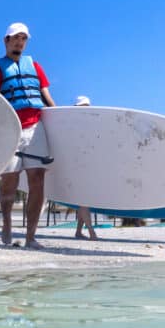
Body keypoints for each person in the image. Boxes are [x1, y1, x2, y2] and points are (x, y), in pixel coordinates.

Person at [0, 22, 56, 250]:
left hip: (35, 128)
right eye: (15, 38)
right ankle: (6, 225)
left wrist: (60, 119)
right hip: (9, 129)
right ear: (6, 40)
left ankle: (31, 236)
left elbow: (46, 96)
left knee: (37, 180)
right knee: (9, 182)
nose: (19, 42)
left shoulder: (34, 66)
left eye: (23, 38)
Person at [72, 96, 98, 240]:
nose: (85, 109)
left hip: (87, 167)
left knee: (84, 200)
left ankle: (78, 231)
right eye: (82, 106)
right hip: (77, 167)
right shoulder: (72, 125)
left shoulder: (91, 125)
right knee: (83, 200)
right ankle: (91, 232)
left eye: (87, 106)